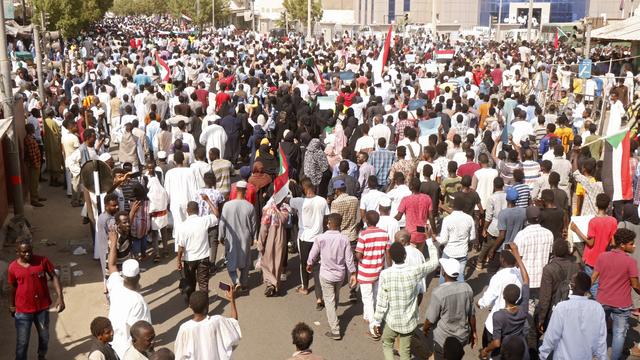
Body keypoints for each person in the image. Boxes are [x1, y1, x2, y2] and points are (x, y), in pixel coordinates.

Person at [371, 240, 439, 360]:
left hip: (392, 321)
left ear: (390, 257)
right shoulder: (414, 271)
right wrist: (429, 242)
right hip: (408, 323)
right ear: (405, 256)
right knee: (405, 351)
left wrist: (376, 321)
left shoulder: (385, 274)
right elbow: (434, 263)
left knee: (387, 342)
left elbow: (382, 302)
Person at [8, 241, 65, 360]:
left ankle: (41, 356)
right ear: (18, 252)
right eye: (24, 252)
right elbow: (13, 287)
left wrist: (60, 297)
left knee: (44, 337)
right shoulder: (13, 267)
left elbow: (54, 276)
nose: (28, 254)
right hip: (23, 310)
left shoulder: (42, 261)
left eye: (30, 251)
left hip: (42, 308)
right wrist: (12, 305)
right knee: (22, 342)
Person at [591, 228, 640, 360]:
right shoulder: (630, 262)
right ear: (623, 245)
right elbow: (635, 285)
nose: (634, 245)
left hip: (602, 300)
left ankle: (595, 354)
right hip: (622, 305)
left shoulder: (602, 256)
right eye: (631, 243)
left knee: (599, 331)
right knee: (619, 334)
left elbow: (593, 278)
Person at [307, 213, 357, 340]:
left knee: (329, 301)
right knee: (335, 296)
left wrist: (309, 264)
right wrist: (353, 273)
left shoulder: (320, 238)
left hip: (326, 274)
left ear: (329, 223)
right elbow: (349, 259)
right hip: (340, 275)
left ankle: (335, 330)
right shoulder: (344, 239)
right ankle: (333, 315)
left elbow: (313, 254)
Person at [106, 226, 152, 358]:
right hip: (128, 351)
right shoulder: (138, 301)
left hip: (114, 344)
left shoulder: (116, 284)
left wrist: (113, 243)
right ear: (138, 277)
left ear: (124, 276)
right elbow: (141, 332)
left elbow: (112, 265)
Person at [538, 272, 607, 360]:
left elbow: (552, 336)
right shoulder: (597, 307)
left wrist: (543, 354)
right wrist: (601, 357)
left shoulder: (562, 307)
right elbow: (601, 338)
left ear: (572, 286)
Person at [480, 243, 530, 360]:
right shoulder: (523, 309)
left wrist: (486, 350)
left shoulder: (498, 315)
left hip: (494, 334)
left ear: (503, 296)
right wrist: (517, 254)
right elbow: (526, 279)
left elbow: (496, 343)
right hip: (514, 343)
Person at [424, 257, 476, 360]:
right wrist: (474, 333)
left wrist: (425, 329)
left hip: (443, 340)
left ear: (443, 273)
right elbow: (472, 315)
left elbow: (430, 319)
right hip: (461, 338)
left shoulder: (438, 292)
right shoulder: (467, 288)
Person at [289, 178, 330, 308]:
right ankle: (319, 296)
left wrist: (290, 185)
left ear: (304, 189)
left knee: (304, 264)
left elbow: (284, 200)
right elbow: (327, 218)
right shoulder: (322, 201)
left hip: (305, 238)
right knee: (318, 266)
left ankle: (305, 287)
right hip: (319, 237)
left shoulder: (299, 202)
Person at [571, 193, 617, 297]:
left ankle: (600, 306)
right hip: (605, 258)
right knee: (602, 284)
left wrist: (576, 230)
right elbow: (613, 242)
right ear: (608, 205)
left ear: (596, 204)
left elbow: (591, 243)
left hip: (591, 259)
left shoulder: (593, 222)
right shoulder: (613, 221)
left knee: (593, 285)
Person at [174, 290, 241, 360]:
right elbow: (234, 323)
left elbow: (179, 356)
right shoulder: (218, 320)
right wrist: (232, 300)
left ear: (190, 306)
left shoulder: (184, 329)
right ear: (207, 305)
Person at [176, 199, 219, 300]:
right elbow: (216, 214)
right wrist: (208, 200)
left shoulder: (182, 226)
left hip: (189, 260)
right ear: (198, 210)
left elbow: (181, 246)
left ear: (187, 211)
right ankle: (204, 307)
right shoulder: (204, 220)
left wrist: (178, 260)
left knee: (191, 284)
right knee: (203, 285)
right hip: (203, 258)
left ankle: (193, 304)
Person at [356, 210, 390, 337]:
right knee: (375, 296)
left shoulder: (363, 235)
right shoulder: (384, 234)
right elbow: (388, 253)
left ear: (366, 221)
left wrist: (359, 257)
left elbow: (359, 255)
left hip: (365, 271)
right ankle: (368, 315)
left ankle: (374, 326)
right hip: (379, 270)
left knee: (367, 298)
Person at [535, 240, 582, 333]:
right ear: (567, 251)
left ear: (554, 251)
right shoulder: (576, 267)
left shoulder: (548, 269)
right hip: (571, 309)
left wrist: (541, 318)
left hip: (554, 310)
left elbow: (546, 296)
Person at [219, 180, 256, 292]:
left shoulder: (227, 205)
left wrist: (221, 236)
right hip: (245, 237)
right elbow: (254, 225)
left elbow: (222, 223)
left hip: (231, 238)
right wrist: (254, 237)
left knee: (231, 261)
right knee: (245, 261)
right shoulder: (250, 206)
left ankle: (236, 281)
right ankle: (244, 283)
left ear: (236, 190)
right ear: (246, 191)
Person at [511, 206, 553, 304]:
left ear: (526, 218)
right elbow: (550, 255)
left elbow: (517, 259)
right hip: (543, 279)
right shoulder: (549, 234)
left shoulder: (521, 235)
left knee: (528, 307)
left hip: (525, 280)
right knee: (540, 306)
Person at [257, 198, 291, 296]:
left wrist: (260, 243)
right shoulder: (284, 209)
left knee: (266, 262)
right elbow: (285, 221)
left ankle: (270, 284)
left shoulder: (268, 210)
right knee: (277, 263)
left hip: (269, 240)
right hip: (281, 238)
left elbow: (263, 228)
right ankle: (276, 286)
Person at [438, 195, 475, 282]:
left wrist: (435, 237)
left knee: (444, 276)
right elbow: (473, 237)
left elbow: (443, 240)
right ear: (464, 206)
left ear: (453, 206)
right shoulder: (469, 219)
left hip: (449, 252)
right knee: (460, 276)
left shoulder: (447, 219)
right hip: (462, 253)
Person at [164, 151, 199, 241]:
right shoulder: (190, 171)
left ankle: (179, 247)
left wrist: (167, 203)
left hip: (175, 203)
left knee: (178, 225)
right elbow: (195, 189)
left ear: (174, 161)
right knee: (190, 224)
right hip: (189, 202)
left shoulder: (169, 173)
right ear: (183, 160)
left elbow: (167, 191)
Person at [24, 123, 45, 207]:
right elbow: (32, 154)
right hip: (33, 164)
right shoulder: (29, 140)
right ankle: (34, 199)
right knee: (33, 182)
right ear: (30, 130)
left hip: (35, 163)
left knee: (35, 182)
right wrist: (36, 164)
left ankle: (36, 196)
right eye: (32, 128)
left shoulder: (30, 138)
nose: (34, 129)